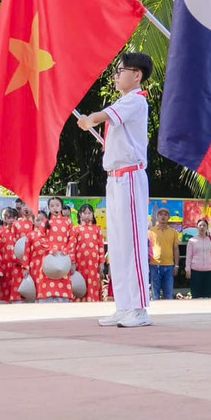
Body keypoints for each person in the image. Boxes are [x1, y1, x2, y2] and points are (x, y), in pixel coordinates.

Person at [78, 51, 153, 328]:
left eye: (121, 71)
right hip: (115, 178)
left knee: (132, 243)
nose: (117, 75)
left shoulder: (136, 100)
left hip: (131, 178)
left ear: (137, 75)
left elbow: (103, 116)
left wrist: (90, 119)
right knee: (119, 245)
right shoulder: (124, 102)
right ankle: (123, 305)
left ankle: (140, 307)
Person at [70, 204, 106, 302]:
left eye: (89, 213)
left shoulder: (97, 229)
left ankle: (93, 301)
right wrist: (72, 262)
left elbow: (101, 246)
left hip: (94, 264)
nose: (87, 215)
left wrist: (102, 262)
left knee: (93, 282)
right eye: (84, 213)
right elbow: (72, 247)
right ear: (80, 215)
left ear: (93, 215)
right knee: (80, 282)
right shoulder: (76, 229)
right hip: (80, 264)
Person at [0, 206, 21, 303]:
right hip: (4, 267)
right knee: (4, 290)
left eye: (13, 217)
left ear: (16, 218)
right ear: (3, 218)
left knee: (18, 289)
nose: (10, 220)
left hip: (18, 266)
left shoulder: (20, 232)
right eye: (7, 217)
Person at [184, 218, 211, 299]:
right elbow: (189, 257)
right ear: (197, 227)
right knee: (196, 295)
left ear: (207, 227)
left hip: (210, 271)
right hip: (196, 272)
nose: (202, 227)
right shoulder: (192, 241)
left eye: (204, 225)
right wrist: (188, 269)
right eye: (200, 225)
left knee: (208, 295)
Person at [148, 208, 179, 302]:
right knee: (155, 294)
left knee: (169, 294)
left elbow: (176, 249)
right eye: (161, 214)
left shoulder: (173, 232)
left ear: (169, 217)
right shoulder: (151, 231)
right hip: (154, 265)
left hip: (169, 266)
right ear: (157, 217)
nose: (163, 216)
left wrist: (176, 265)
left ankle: (169, 314)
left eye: (165, 214)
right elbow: (147, 247)